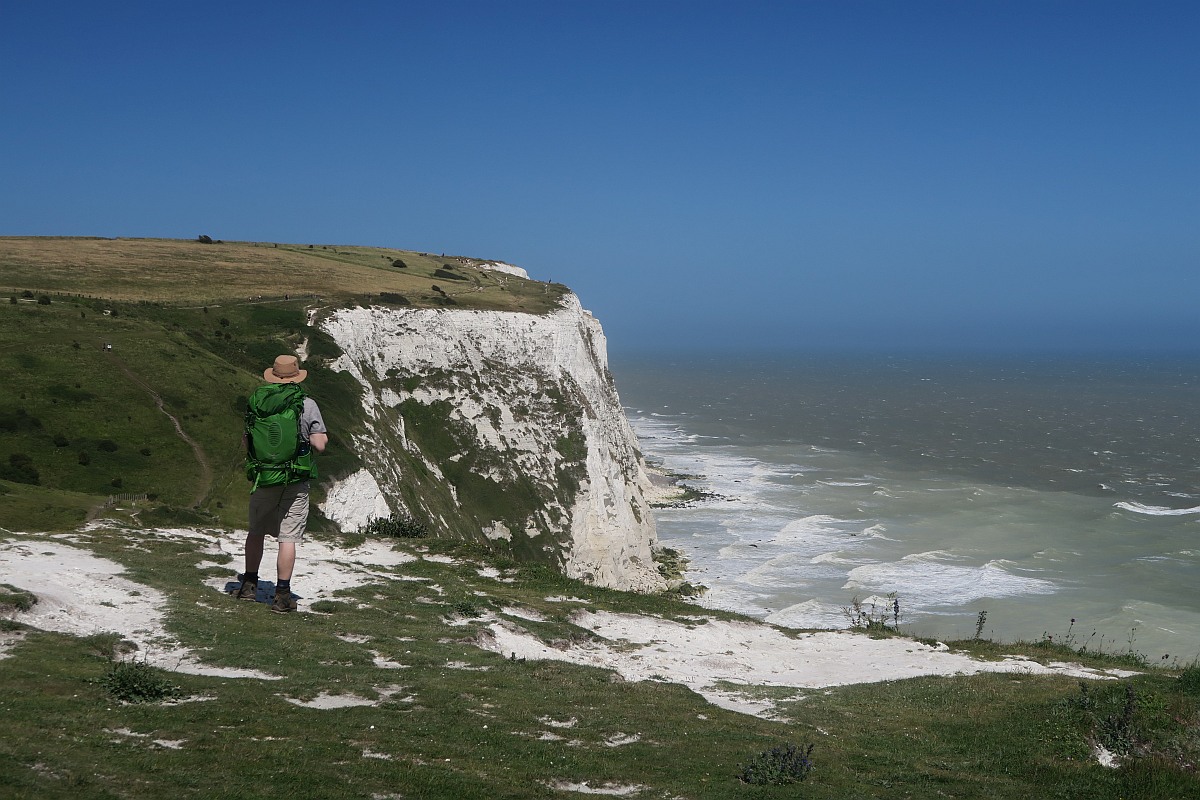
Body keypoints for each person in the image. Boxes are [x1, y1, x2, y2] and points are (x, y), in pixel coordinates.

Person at [233, 355, 328, 613]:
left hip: (264, 477)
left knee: (256, 531)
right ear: (297, 376)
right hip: (295, 479)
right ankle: (282, 596)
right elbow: (320, 444)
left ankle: (249, 586)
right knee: (288, 537)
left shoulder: (258, 403)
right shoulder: (307, 404)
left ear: (273, 376)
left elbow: (246, 442)